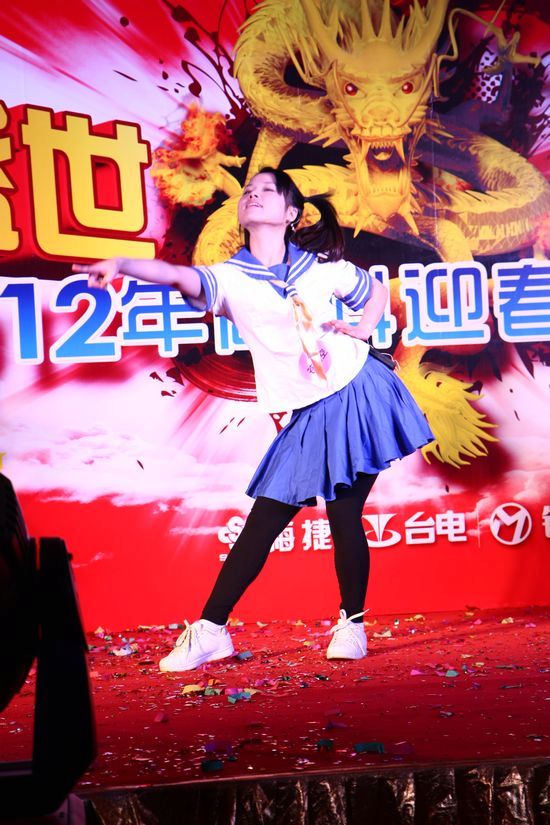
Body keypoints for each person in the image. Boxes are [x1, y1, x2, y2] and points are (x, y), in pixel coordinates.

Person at [75, 167, 433, 671]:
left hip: (358, 390)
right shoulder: (228, 278)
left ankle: (351, 623)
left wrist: (363, 327)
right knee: (264, 519)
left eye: (267, 190)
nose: (253, 195)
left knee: (343, 513)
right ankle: (211, 631)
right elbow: (177, 276)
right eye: (249, 190)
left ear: (291, 213)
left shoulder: (321, 267)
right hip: (308, 410)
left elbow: (373, 290)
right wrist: (121, 264)